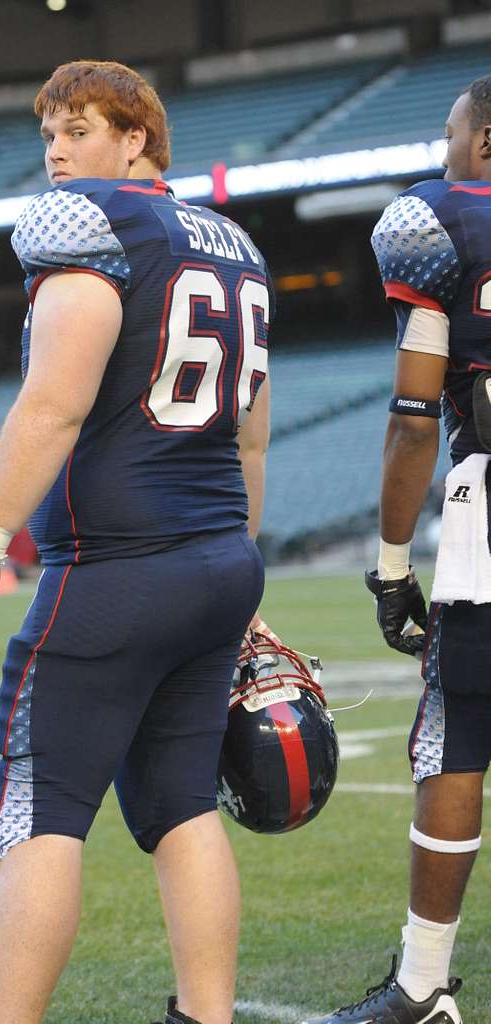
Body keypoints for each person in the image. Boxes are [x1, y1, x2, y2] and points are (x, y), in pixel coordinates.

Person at [0, 60, 272, 1024]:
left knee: (42, 808)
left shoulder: (96, 223)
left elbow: (52, 405)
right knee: (181, 802)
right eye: (50, 130)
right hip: (218, 555)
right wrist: (234, 562)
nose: (58, 150)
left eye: (81, 129)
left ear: (136, 140)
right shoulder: (238, 243)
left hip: (117, 567)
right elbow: (251, 434)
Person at [301, 76, 491, 1024]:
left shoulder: (441, 223)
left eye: (451, 132)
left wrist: (389, 567)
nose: (442, 148)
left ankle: (423, 986)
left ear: (486, 142)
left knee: (456, 737)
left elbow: (416, 419)